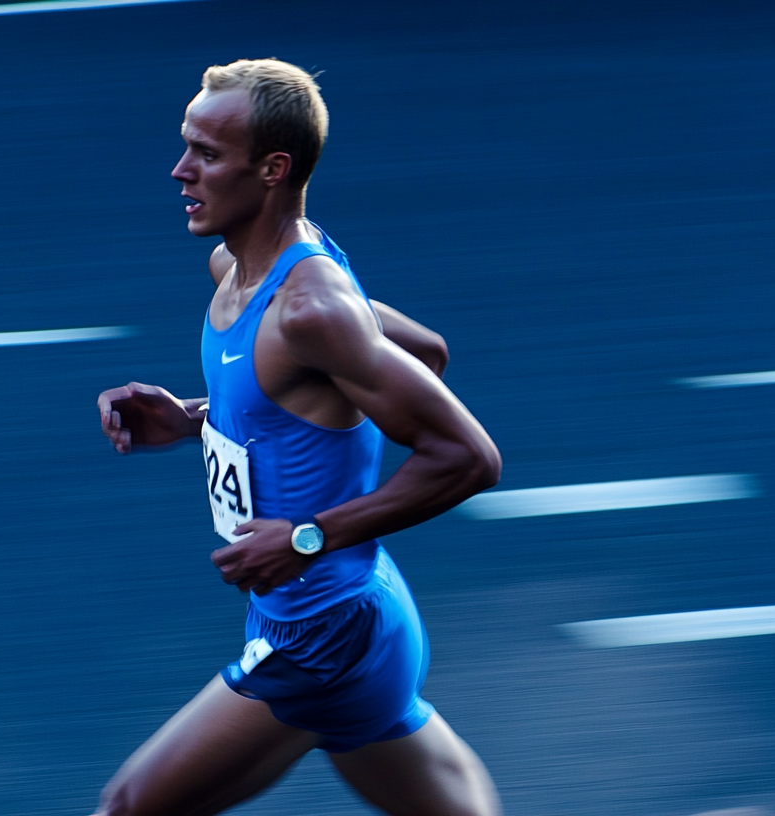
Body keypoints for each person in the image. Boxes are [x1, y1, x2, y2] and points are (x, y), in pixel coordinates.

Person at [94, 59, 504, 816]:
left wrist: (307, 537)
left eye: (207, 155)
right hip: (356, 613)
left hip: (324, 633)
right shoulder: (237, 269)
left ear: (273, 168)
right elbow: (426, 356)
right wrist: (192, 418)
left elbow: (469, 458)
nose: (180, 170)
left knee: (126, 809)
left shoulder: (311, 308)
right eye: (186, 145)